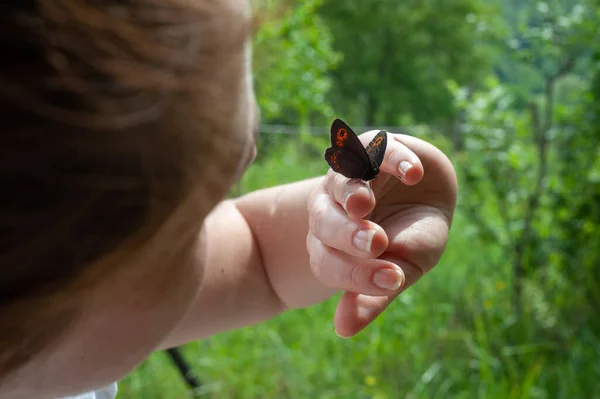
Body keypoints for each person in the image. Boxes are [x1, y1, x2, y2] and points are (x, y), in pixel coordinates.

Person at [0, 1, 458, 398]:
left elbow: (257, 254)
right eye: (197, 219)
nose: (254, 151)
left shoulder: (67, 338)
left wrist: (349, 220)